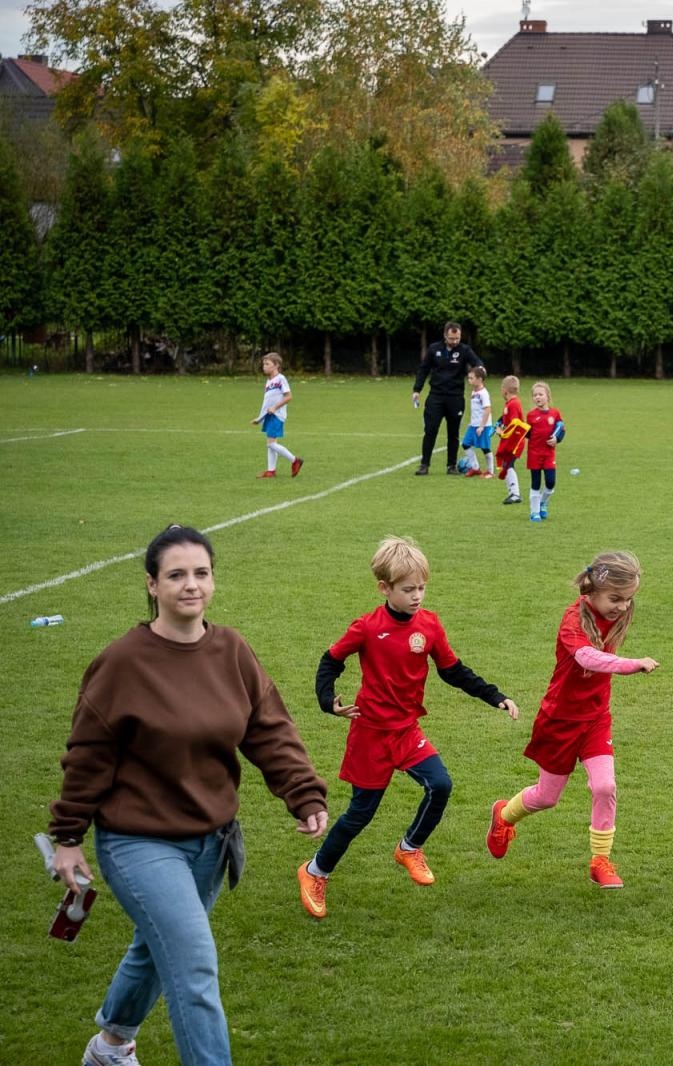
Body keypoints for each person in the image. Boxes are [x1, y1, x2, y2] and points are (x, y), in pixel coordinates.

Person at [48, 524, 329, 1066]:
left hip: (210, 843)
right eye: (176, 575)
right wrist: (67, 837)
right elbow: (88, 755)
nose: (191, 585)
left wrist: (303, 793)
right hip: (137, 842)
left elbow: (268, 728)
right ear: (152, 584)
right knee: (194, 962)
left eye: (201, 573)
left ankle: (109, 1047)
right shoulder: (122, 663)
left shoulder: (231, 650)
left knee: (156, 948)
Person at [296, 536, 519, 919]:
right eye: (408, 589)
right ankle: (315, 871)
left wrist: (494, 696)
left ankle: (410, 847)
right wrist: (327, 699)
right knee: (360, 814)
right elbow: (330, 660)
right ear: (385, 588)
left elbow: (453, 671)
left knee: (441, 784)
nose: (417, 596)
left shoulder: (429, 625)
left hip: (406, 731)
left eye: (422, 588)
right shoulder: (367, 628)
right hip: (370, 735)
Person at [487, 552, 658, 889]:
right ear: (592, 591)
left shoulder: (616, 612)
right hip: (559, 720)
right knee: (547, 797)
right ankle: (503, 815)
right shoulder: (572, 620)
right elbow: (587, 658)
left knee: (605, 786)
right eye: (616, 599)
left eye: (628, 599)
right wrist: (630, 664)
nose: (623, 607)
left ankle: (600, 861)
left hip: (595, 719)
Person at [411, 321, 484, 475]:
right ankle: (424, 465)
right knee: (430, 430)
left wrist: (480, 368)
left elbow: (477, 362)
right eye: (452, 338)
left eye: (457, 338)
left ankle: (451, 466)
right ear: (445, 335)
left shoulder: (464, 350)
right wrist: (417, 389)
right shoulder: (434, 349)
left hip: (455, 398)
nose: (455, 341)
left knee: (453, 433)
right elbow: (423, 370)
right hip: (435, 397)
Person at [250, 352, 302, 479]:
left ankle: (295, 460)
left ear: (276, 365)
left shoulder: (281, 379)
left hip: (277, 415)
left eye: (267, 364)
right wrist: (260, 418)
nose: (264, 366)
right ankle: (271, 471)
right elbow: (267, 402)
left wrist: (275, 408)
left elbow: (288, 396)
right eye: (264, 364)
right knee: (271, 443)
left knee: (270, 444)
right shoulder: (269, 381)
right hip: (269, 415)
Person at [524, 381, 564, 522]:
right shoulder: (531, 416)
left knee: (551, 482)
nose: (537, 397)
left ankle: (543, 502)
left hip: (549, 454)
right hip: (534, 454)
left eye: (540, 394)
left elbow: (561, 429)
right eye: (535, 395)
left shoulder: (555, 413)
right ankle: (534, 512)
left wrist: (557, 439)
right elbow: (527, 434)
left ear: (548, 396)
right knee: (535, 482)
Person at [495, 375, 529, 506]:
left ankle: (515, 494)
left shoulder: (513, 404)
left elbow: (515, 423)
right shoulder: (510, 404)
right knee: (506, 465)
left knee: (508, 465)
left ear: (505, 390)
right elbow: (507, 419)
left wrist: (502, 432)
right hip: (511, 441)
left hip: (515, 442)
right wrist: (500, 423)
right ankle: (512, 493)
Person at [457, 366, 494, 477]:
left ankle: (490, 471)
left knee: (485, 448)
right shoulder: (474, 391)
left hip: (483, 426)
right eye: (469, 378)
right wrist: (472, 422)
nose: (469, 380)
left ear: (479, 379)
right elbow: (476, 409)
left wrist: (482, 426)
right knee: (465, 444)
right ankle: (475, 468)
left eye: (471, 378)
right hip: (474, 425)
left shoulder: (483, 393)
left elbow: (487, 409)